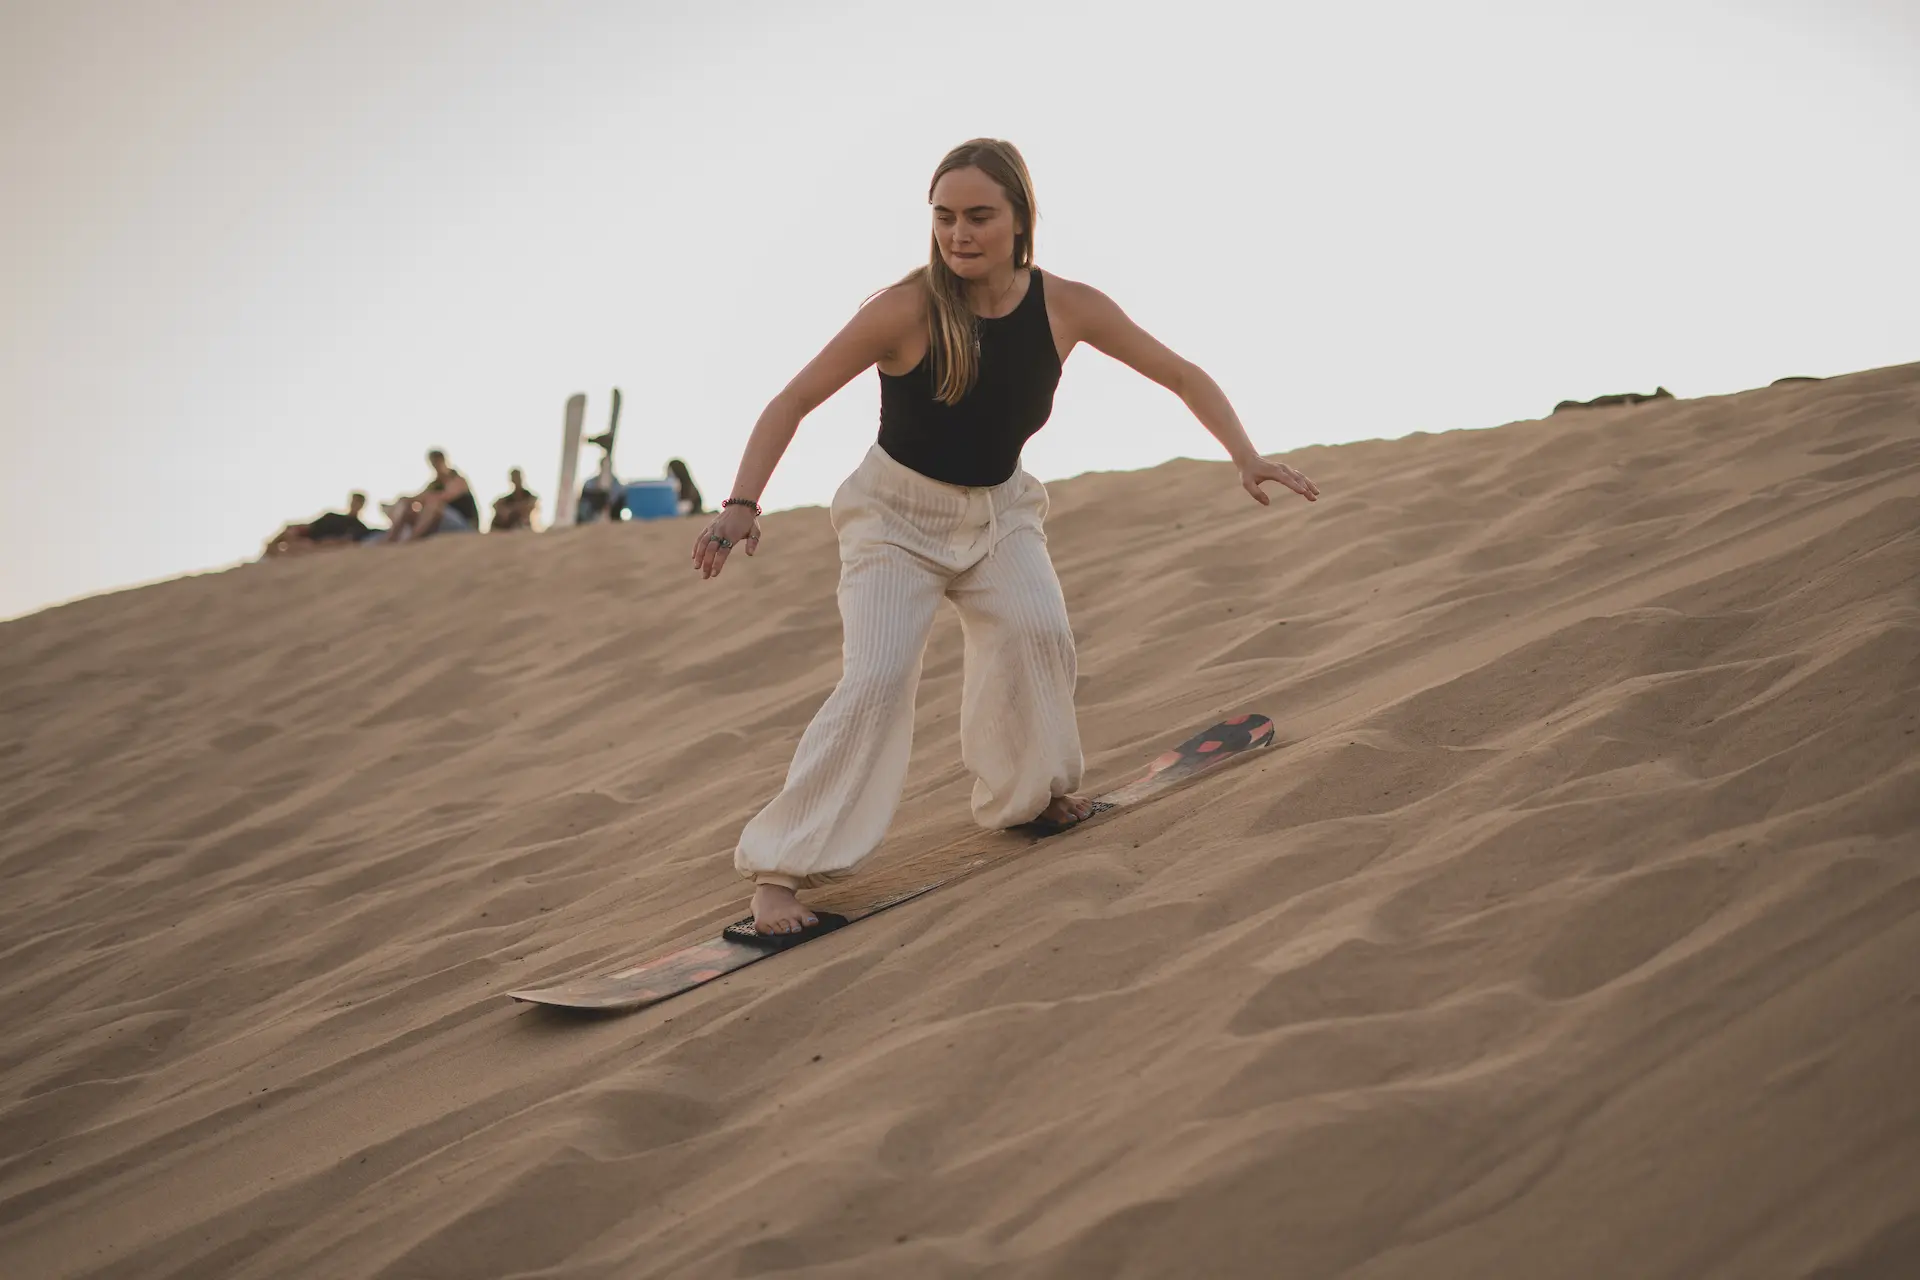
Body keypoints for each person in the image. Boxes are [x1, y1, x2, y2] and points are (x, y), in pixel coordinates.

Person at [692, 138, 1320, 938]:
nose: (959, 234)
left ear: (1020, 218)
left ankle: (1028, 799)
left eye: (979, 216)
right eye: (945, 217)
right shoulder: (904, 309)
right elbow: (791, 401)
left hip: (999, 515)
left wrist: (1246, 454)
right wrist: (742, 502)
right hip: (893, 523)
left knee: (1035, 633)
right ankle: (778, 873)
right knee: (879, 679)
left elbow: (1181, 373)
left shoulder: (1068, 306)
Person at [385, 450, 480, 542]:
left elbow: (445, 496)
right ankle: (392, 538)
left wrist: (422, 498)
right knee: (409, 506)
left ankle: (412, 539)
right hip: (441, 525)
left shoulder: (458, 479)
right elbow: (419, 498)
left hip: (465, 526)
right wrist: (405, 500)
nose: (436, 465)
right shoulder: (434, 485)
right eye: (433, 462)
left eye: (438, 461)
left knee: (434, 503)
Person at [264, 491, 375, 556]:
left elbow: (351, 543)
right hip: (313, 540)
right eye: (354, 501)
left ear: (362, 506)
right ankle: (270, 549)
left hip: (326, 548)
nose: (355, 505)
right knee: (290, 530)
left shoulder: (359, 527)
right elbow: (312, 526)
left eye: (358, 502)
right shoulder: (332, 516)